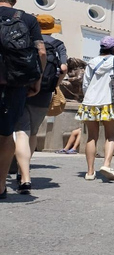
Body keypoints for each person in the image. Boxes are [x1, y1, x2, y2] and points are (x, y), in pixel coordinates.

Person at [0, 0, 46, 199]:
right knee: (7, 134)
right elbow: (41, 51)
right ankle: (0, 185)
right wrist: (38, 78)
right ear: (14, 1)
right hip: (15, 84)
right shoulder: (27, 19)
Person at [14, 14, 67, 195]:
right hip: (44, 93)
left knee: (21, 132)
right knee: (33, 133)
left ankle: (25, 177)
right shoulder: (58, 44)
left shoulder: (28, 39)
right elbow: (64, 68)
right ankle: (23, 172)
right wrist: (55, 85)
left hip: (23, 89)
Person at [75, 36, 114, 181]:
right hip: (108, 101)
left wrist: (88, 97)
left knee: (91, 137)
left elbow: (85, 84)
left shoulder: (92, 62)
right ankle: (106, 165)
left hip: (90, 102)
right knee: (110, 135)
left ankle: (90, 172)